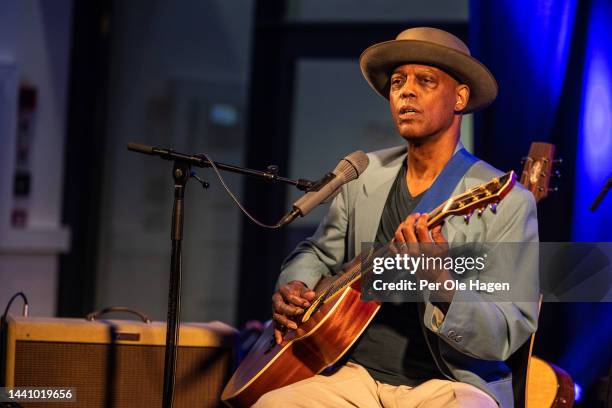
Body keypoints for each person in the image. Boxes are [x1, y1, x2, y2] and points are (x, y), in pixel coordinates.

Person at [255, 27, 539, 408]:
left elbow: (507, 329)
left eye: (425, 81)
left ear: (459, 97)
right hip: (351, 373)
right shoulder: (363, 174)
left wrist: (442, 283)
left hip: (447, 384)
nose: (406, 91)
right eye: (398, 82)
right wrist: (295, 287)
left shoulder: (506, 200)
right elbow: (316, 254)